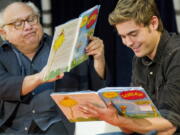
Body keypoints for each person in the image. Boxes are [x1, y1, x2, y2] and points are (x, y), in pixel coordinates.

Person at [0, 2, 105, 135]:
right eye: (18, 24)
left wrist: (99, 58)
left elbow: (96, 87)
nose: (28, 27)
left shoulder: (64, 46)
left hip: (58, 125)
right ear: (4, 32)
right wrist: (40, 77)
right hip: (13, 129)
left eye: (31, 19)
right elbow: (4, 86)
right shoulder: (2, 56)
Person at [80, 0, 180, 134]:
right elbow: (133, 126)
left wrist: (119, 120)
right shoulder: (139, 58)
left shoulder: (176, 54)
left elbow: (169, 122)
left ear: (153, 23)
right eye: (123, 36)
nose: (128, 43)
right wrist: (117, 118)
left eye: (133, 34)